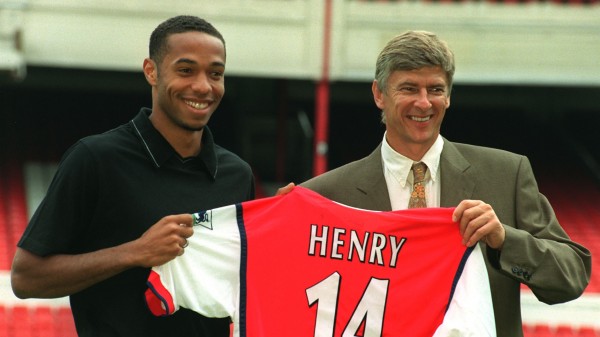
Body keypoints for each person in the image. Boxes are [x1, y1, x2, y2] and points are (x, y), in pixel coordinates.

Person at [300, 30, 592, 337]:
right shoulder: (326, 196)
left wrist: (505, 240)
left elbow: (571, 277)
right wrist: (290, 213)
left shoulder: (506, 175)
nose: (424, 103)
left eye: (436, 89)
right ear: (379, 94)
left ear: (449, 96)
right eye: (409, 88)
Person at [11, 15, 254, 337]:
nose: (203, 86)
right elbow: (26, 279)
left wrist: (284, 221)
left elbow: (249, 281)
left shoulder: (237, 174)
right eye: (185, 70)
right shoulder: (96, 159)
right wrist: (135, 252)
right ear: (151, 71)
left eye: (216, 74)